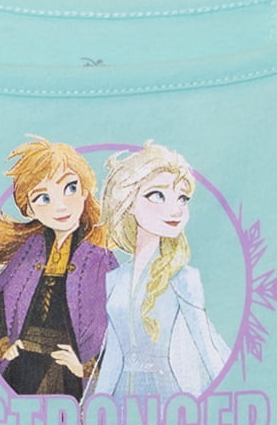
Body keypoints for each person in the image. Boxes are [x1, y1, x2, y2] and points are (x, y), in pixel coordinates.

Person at [0, 136, 115, 399]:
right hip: (23, 366)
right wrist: (3, 344)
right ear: (30, 209)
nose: (60, 205)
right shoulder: (31, 249)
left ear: (85, 190)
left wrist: (85, 367)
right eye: (43, 198)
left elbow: (118, 324)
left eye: (70, 188)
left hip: (67, 373)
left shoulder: (100, 259)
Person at [96, 141, 229, 397]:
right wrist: (95, 404)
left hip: (168, 394)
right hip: (122, 395)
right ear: (128, 202)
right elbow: (113, 355)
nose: (176, 209)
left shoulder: (184, 278)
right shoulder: (115, 279)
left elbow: (207, 348)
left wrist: (226, 395)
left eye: (182, 198)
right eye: (157, 195)